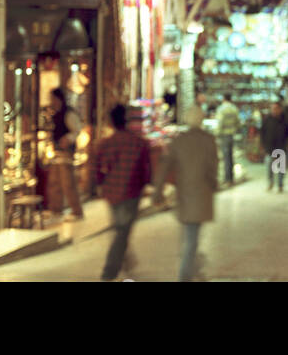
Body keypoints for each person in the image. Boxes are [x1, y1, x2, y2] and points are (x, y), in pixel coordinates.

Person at [154, 107, 219, 282]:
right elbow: (213, 168)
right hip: (201, 194)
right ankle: (185, 274)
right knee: (191, 236)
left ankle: (193, 268)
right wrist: (213, 185)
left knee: (189, 234)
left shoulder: (179, 141)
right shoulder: (208, 140)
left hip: (184, 193)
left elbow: (165, 166)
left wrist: (157, 191)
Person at [89, 104, 153, 281]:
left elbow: (95, 166)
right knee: (122, 231)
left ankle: (126, 262)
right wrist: (146, 184)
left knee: (120, 229)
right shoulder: (139, 143)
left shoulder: (106, 143)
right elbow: (146, 169)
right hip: (131, 192)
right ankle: (109, 271)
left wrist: (100, 184)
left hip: (112, 192)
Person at [49, 88, 84, 221]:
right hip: (57, 152)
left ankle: (77, 211)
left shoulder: (68, 113)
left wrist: (68, 139)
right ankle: (56, 209)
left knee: (68, 183)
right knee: (55, 182)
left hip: (66, 152)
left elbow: (77, 130)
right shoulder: (56, 113)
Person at [260, 101, 288, 192]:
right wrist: (263, 145)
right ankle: (270, 183)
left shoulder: (285, 120)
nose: (274, 111)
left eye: (276, 108)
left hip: (281, 147)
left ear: (280, 109)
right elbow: (262, 133)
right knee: (269, 167)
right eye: (273, 109)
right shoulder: (267, 120)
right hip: (269, 148)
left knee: (281, 168)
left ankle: (280, 184)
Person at [214, 94, 240, 185]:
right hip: (231, 135)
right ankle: (231, 177)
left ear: (223, 99)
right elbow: (238, 122)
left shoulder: (221, 109)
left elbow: (219, 123)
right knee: (231, 156)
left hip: (224, 135)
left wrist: (216, 134)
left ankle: (227, 179)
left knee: (225, 157)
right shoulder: (234, 109)